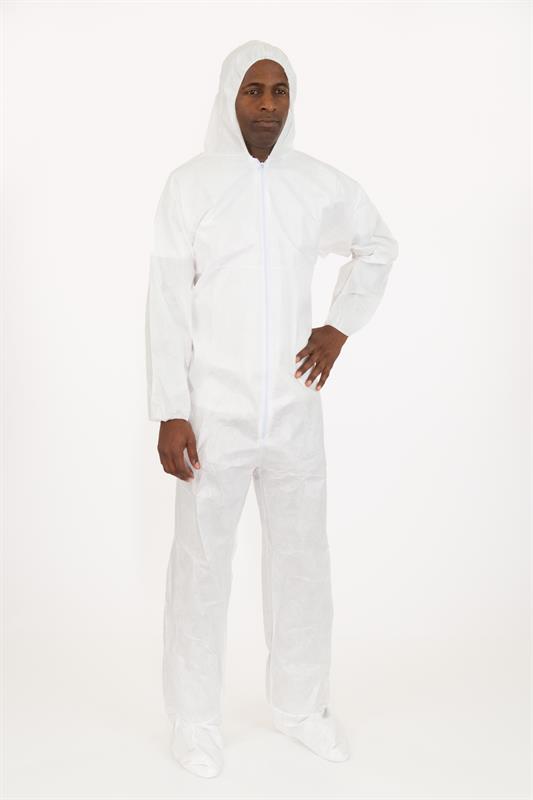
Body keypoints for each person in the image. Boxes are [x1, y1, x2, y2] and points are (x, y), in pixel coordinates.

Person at [145, 39, 399, 779]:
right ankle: (195, 721)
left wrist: (339, 326)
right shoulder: (191, 186)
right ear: (229, 96)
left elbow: (378, 244)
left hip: (292, 412)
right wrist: (170, 408)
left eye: (278, 91)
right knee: (201, 567)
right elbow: (166, 300)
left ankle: (299, 707)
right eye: (252, 90)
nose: (266, 105)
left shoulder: (314, 184)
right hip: (212, 415)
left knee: (302, 564)